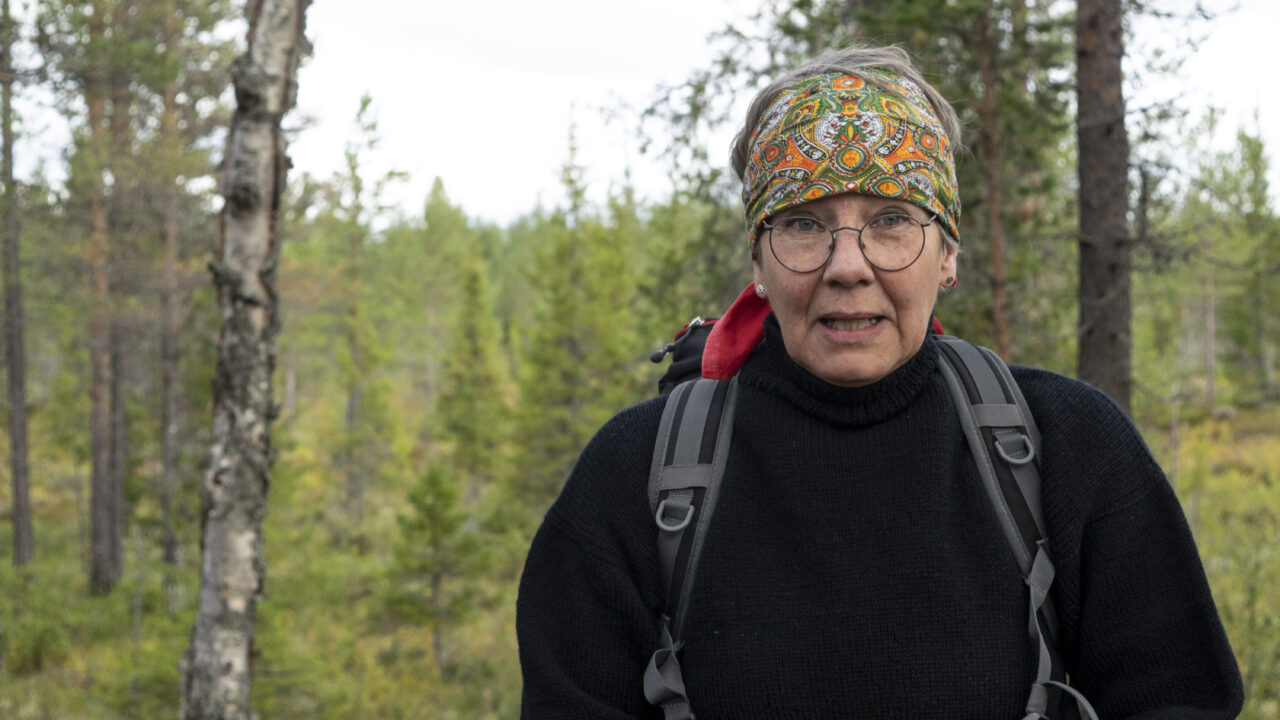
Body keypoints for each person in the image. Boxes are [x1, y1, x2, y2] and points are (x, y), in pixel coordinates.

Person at [516, 45, 1243, 719]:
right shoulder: (637, 475)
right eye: (802, 224)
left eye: (892, 219)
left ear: (947, 254)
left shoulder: (1072, 449)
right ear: (759, 263)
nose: (847, 265)